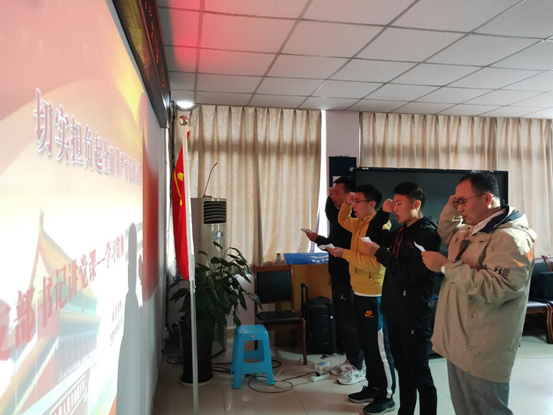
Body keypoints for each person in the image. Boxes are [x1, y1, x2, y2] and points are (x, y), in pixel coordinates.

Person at [421, 171, 536, 415]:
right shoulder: (472, 229)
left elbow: (498, 288)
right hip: (459, 340)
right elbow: (447, 231)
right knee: (464, 408)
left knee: (486, 410)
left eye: (463, 201)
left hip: (482, 346)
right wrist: (452, 207)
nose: (459, 207)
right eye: (457, 201)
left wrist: (446, 266)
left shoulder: (510, 238)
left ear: (487, 199)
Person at [363, 182, 440, 415]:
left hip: (413, 315)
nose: (395, 208)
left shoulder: (427, 234)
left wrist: (380, 254)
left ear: (416, 204)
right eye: (393, 203)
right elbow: (374, 236)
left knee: (420, 374)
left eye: (399, 204)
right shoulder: (403, 230)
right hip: (394, 311)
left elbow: (409, 275)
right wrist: (382, 213)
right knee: (403, 370)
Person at [327, 184, 396, 415]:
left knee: (379, 348)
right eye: (353, 200)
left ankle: (387, 396)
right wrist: (346, 204)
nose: (353, 205)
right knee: (366, 344)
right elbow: (342, 220)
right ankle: (373, 387)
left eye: (357, 201)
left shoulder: (381, 228)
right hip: (358, 291)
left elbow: (375, 265)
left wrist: (344, 254)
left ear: (372, 204)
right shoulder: (359, 223)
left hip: (374, 295)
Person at [303, 177, 365, 385]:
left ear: (350, 196)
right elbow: (330, 211)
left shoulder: (354, 221)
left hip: (350, 279)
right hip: (338, 277)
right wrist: (332, 193)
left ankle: (357, 365)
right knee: (341, 320)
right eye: (331, 193)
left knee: (349, 323)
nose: (332, 196)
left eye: (337, 193)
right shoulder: (339, 217)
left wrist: (317, 239)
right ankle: (350, 359)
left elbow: (339, 247)